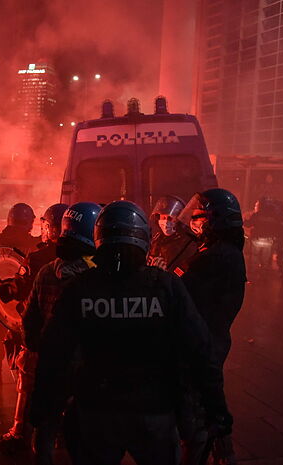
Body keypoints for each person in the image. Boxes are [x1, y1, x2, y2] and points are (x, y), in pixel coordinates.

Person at [30, 201, 231, 465]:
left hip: (96, 413)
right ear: (144, 239)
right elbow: (201, 351)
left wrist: (41, 412)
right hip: (154, 413)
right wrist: (216, 410)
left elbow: (52, 355)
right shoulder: (166, 286)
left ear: (99, 238)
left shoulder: (80, 289)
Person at [0, 202, 98, 455]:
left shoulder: (41, 260)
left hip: (46, 345)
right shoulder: (100, 267)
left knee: (29, 386)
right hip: (85, 351)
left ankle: (19, 431)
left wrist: (30, 345)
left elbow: (29, 307)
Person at [179, 188, 246, 465]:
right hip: (209, 338)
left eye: (200, 218)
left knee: (198, 408)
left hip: (204, 340)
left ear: (216, 220)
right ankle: (224, 451)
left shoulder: (216, 257)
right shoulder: (218, 251)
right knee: (208, 397)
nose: (195, 223)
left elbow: (183, 293)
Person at [0, 202, 41, 405]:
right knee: (19, 341)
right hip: (19, 301)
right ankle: (19, 382)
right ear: (28, 222)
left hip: (0, 299)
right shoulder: (31, 243)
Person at [147, 195, 198, 275]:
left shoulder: (186, 244)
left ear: (178, 220)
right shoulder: (157, 239)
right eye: (163, 218)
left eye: (170, 218)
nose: (166, 222)